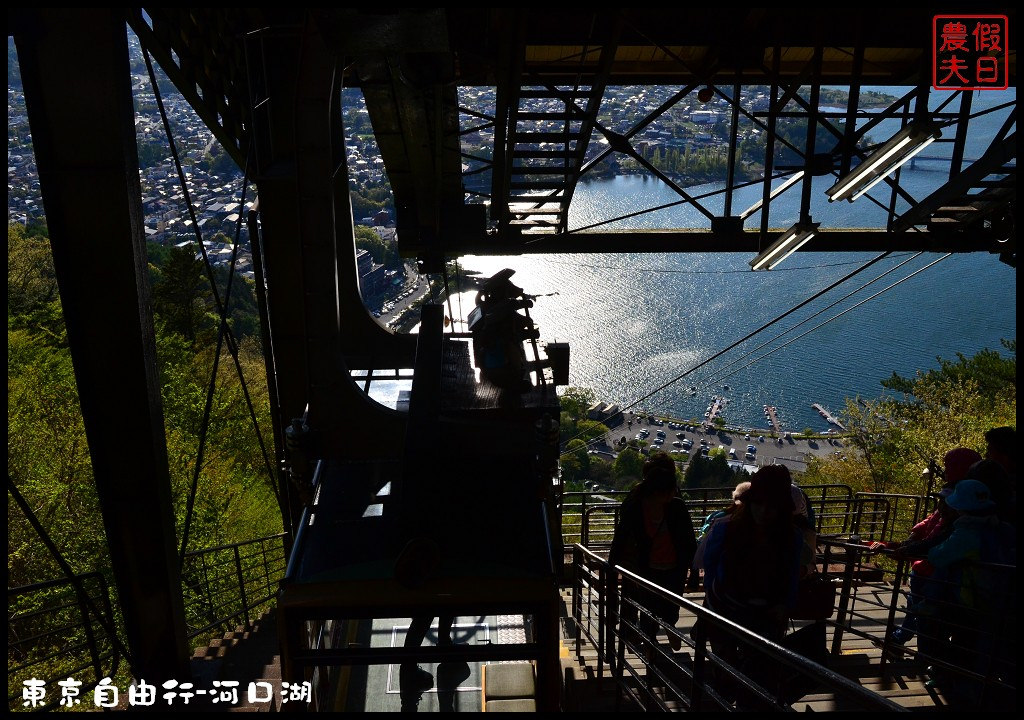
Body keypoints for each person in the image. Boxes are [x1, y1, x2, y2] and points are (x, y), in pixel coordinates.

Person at [871, 447, 982, 644]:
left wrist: (909, 547)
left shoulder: (960, 502)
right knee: (920, 610)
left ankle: (917, 651)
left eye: (949, 465)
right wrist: (914, 537)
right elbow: (934, 521)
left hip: (932, 568)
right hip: (930, 566)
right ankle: (902, 641)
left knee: (925, 614)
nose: (945, 470)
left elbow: (938, 533)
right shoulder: (968, 496)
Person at [923, 479, 1016, 705]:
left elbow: (937, 555)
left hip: (973, 601)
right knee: (994, 651)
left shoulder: (967, 533)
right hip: (1003, 598)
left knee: (966, 646)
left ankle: (966, 693)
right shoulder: (1004, 529)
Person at [609, 451, 697, 652]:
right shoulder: (651, 503)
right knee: (657, 604)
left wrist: (614, 566)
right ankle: (654, 635)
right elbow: (688, 540)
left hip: (648, 565)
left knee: (654, 605)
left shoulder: (638, 501)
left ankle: (649, 637)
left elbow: (621, 537)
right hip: (651, 565)